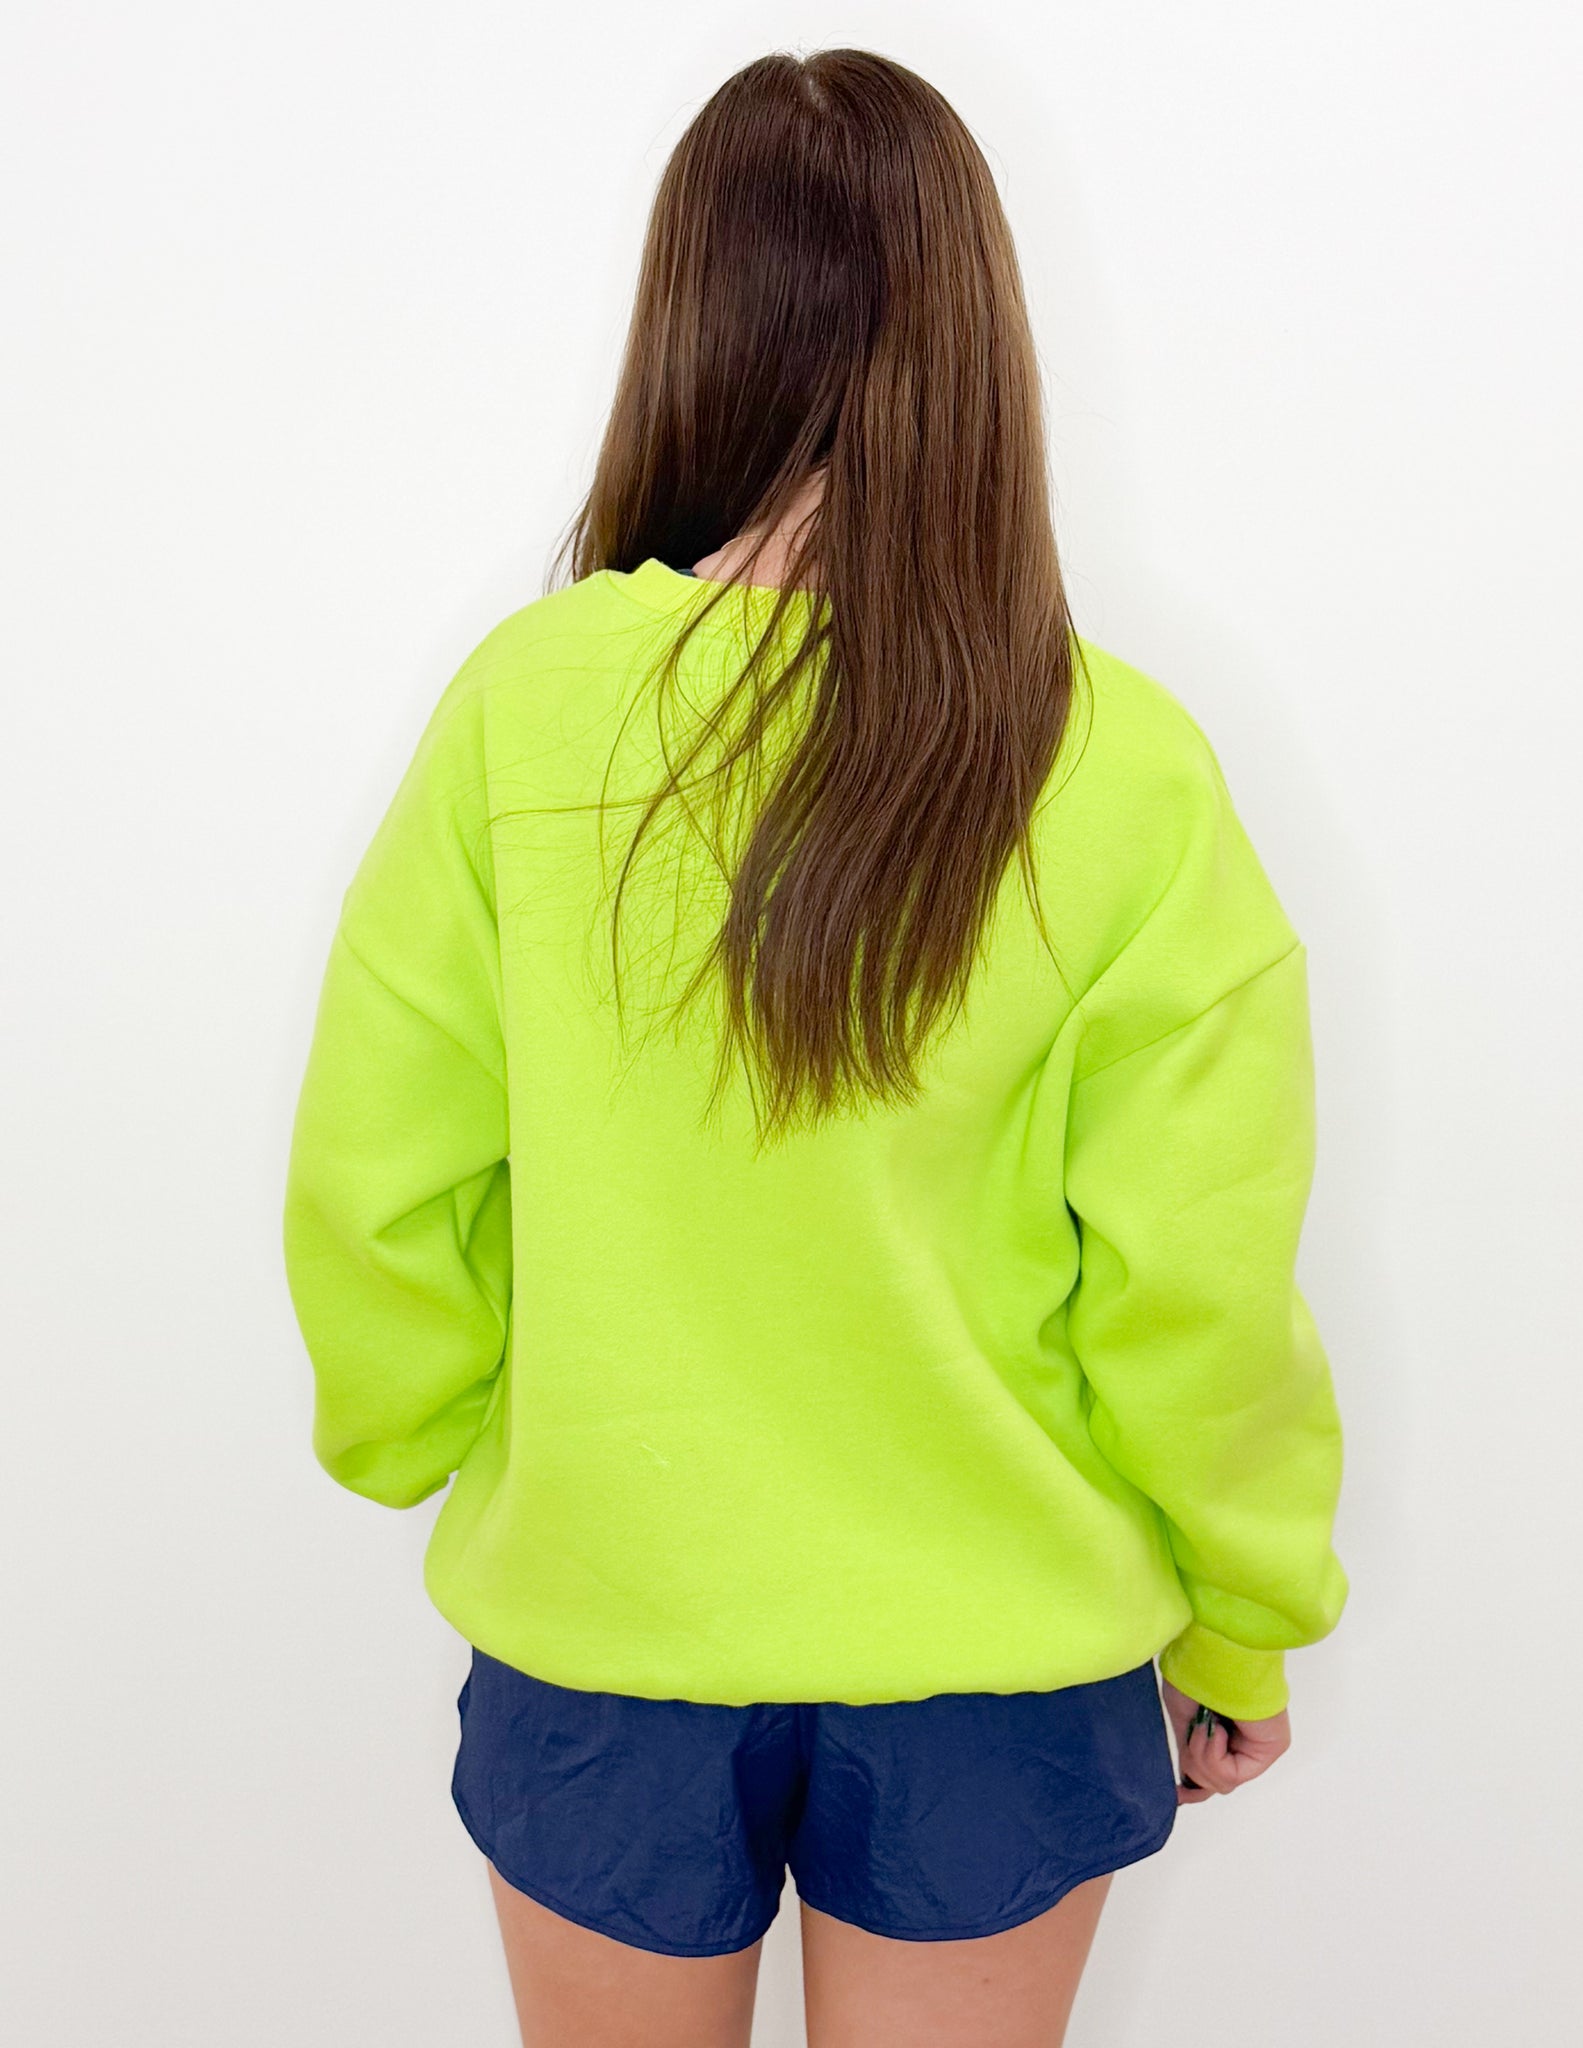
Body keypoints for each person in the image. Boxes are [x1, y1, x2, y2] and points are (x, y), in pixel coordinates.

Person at [282, 45, 1348, 2048]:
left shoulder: (524, 712)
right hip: (996, 1665)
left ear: (692, 322)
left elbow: (381, 1178)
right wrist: (1246, 1610)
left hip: (609, 1628)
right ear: (979, 341)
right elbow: (1195, 1286)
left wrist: (425, 1425)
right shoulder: (1121, 763)